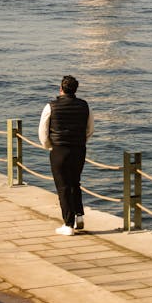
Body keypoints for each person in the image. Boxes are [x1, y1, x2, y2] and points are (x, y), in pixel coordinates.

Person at [38, 75, 94, 235]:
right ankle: (79, 216)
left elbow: (43, 131)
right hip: (78, 149)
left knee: (63, 187)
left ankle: (68, 224)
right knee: (75, 183)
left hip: (59, 150)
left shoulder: (51, 106)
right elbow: (90, 129)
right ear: (75, 89)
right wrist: (81, 141)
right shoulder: (85, 106)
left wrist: (49, 146)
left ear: (61, 89)